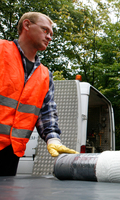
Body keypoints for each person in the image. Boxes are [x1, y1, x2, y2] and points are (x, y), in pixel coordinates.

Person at [0, 12, 78, 176]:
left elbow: (46, 112)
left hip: (11, 153)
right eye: (45, 30)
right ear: (27, 25)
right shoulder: (1, 51)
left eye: (51, 33)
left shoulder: (44, 75)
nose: (49, 37)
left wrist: (53, 138)